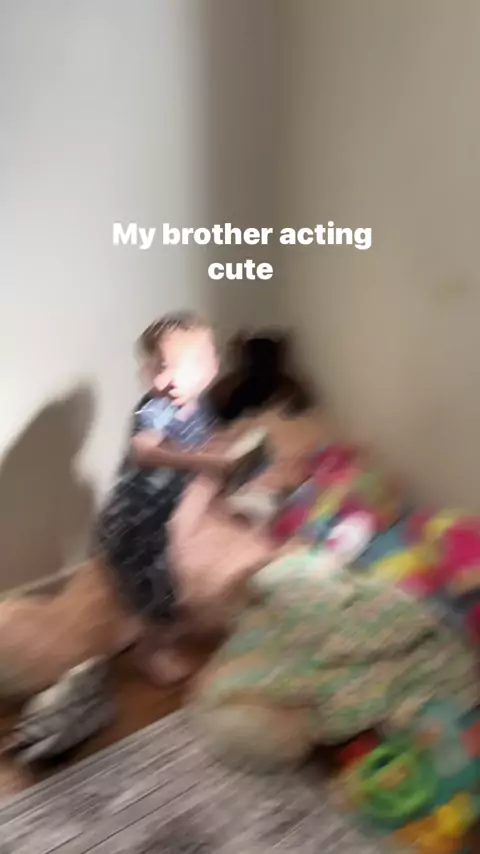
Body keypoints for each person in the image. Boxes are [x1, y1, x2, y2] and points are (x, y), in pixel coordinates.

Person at [91, 311, 234, 685]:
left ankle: (146, 625)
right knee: (156, 593)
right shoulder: (154, 411)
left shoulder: (200, 406)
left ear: (210, 369)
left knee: (160, 591)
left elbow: (204, 442)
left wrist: (228, 452)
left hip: (160, 518)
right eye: (159, 367)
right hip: (134, 523)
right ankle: (150, 652)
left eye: (182, 367)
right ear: (146, 371)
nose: (168, 379)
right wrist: (202, 461)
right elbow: (144, 451)